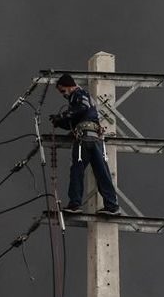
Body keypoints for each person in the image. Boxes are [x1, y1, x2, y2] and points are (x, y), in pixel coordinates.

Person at [49, 74, 119, 215]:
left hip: (84, 139)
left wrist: (62, 116)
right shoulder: (79, 100)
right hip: (95, 139)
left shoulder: (78, 94)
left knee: (77, 171)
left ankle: (75, 204)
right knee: (102, 172)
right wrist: (59, 121)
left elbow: (82, 108)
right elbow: (74, 120)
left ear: (70, 86)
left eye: (63, 91)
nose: (64, 95)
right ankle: (112, 206)